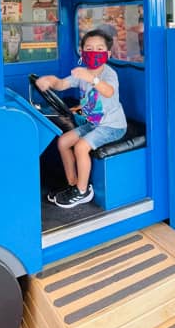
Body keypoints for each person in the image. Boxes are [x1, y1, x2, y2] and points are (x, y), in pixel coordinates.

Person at [36, 28, 127, 209]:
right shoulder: (81, 72)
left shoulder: (108, 74)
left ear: (108, 53)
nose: (94, 52)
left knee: (80, 147)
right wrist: (50, 80)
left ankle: (83, 191)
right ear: (82, 51)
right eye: (89, 48)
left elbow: (109, 91)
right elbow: (62, 84)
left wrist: (92, 79)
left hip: (112, 126)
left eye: (99, 49)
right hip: (93, 124)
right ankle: (73, 184)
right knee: (63, 141)